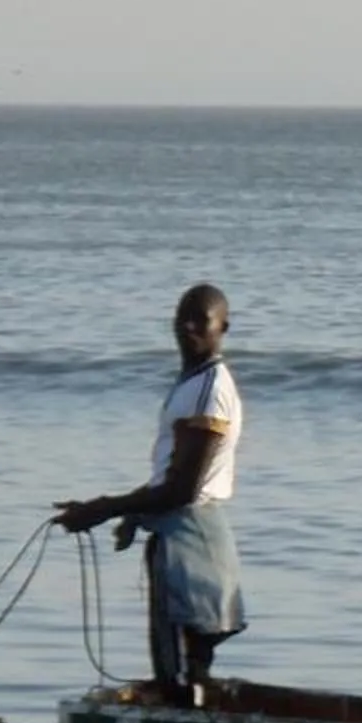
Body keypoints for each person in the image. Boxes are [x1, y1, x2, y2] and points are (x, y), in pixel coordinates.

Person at [54, 282, 247, 699]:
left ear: (223, 327)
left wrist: (102, 508)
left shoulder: (210, 389)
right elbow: (170, 477)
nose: (188, 327)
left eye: (200, 321)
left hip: (190, 539)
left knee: (179, 673)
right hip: (186, 531)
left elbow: (182, 489)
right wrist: (133, 514)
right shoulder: (193, 382)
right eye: (182, 318)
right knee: (183, 669)